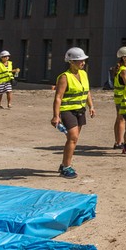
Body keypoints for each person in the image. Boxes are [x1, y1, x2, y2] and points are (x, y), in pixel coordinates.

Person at [51, 47, 96, 179]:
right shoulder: (65, 77)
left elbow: (87, 91)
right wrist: (56, 115)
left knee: (73, 140)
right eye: (79, 60)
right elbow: (58, 97)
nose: (82, 63)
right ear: (71, 62)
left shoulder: (84, 74)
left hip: (80, 110)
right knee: (73, 137)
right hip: (67, 111)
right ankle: (66, 167)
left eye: (83, 60)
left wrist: (91, 106)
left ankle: (65, 163)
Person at [112, 46, 126, 150]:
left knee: (118, 120)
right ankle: (120, 142)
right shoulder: (123, 70)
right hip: (123, 99)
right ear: (124, 57)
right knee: (122, 120)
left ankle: (117, 142)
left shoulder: (119, 68)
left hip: (118, 98)